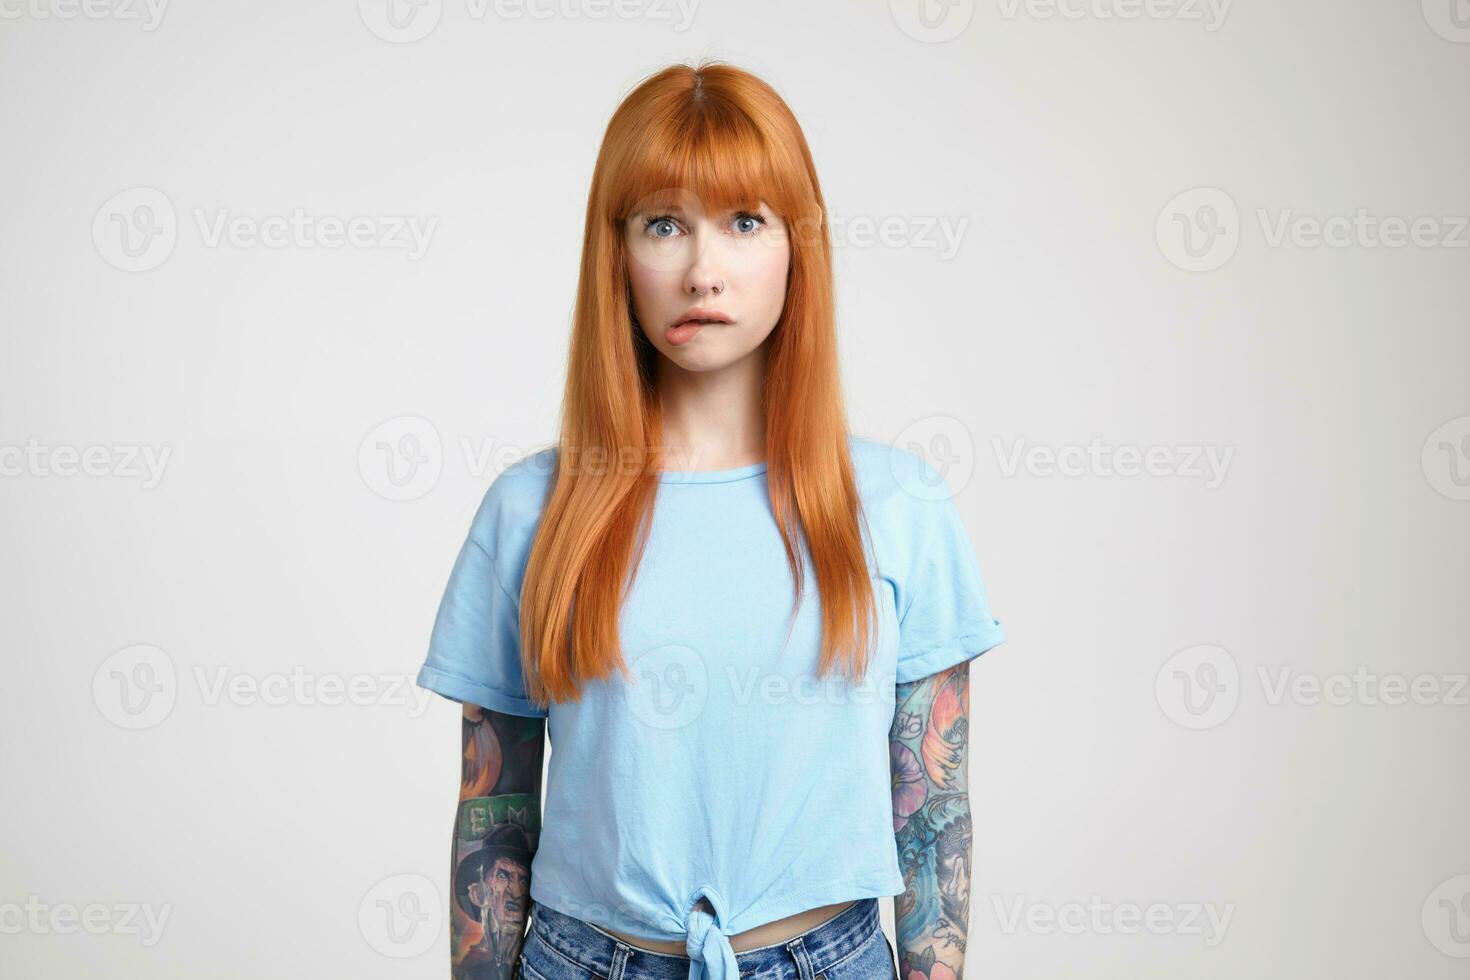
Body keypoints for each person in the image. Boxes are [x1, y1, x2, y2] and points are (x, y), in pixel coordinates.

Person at [416, 60, 1007, 980]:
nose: (702, 270)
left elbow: (932, 815)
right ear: (616, 253)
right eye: (663, 224)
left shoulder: (899, 508)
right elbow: (495, 817)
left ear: (794, 247)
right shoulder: (532, 511)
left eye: (743, 222)